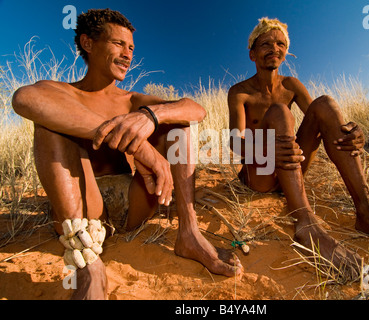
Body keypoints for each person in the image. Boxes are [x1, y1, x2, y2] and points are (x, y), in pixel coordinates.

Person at [12, 8, 242, 300]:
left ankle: (190, 233)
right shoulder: (62, 92)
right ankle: (88, 267)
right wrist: (139, 148)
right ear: (88, 43)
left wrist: (151, 115)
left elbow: (196, 110)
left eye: (131, 47)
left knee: (177, 125)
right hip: (82, 208)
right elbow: (24, 98)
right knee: (49, 125)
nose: (128, 54)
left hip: (133, 202)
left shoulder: (132, 100)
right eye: (118, 44)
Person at [228, 17, 369, 279]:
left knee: (326, 104)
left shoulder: (291, 85)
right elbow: (234, 142)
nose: (274, 48)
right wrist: (267, 149)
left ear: (286, 51)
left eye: (281, 43)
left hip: (289, 166)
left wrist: (351, 132)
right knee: (280, 113)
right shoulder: (240, 92)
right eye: (266, 43)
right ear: (252, 53)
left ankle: (367, 211)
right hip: (260, 175)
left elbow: (323, 122)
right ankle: (305, 222)